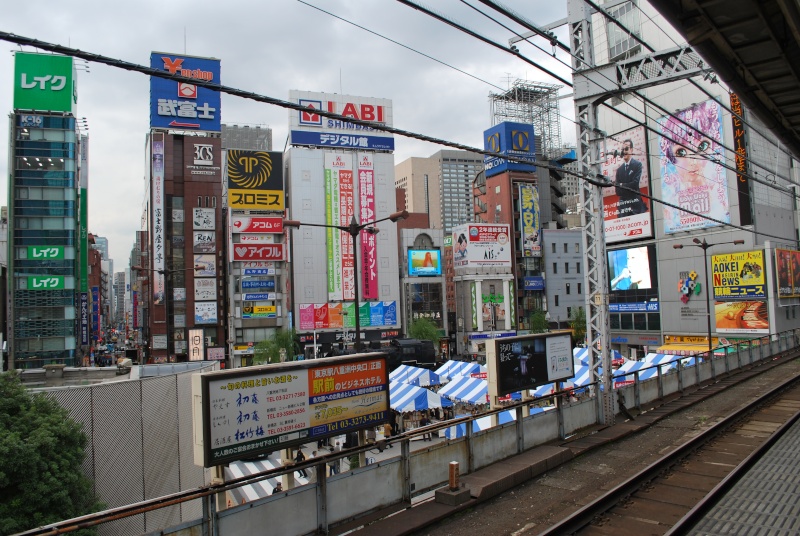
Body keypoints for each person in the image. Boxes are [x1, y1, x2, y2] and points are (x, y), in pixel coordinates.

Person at [614, 139, 647, 217]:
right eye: (622, 150)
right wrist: (628, 186)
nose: (624, 152)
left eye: (626, 149)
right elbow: (617, 191)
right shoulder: (619, 170)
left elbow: (635, 184)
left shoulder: (637, 165)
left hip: (636, 207)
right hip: (623, 208)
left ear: (631, 150)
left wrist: (621, 185)